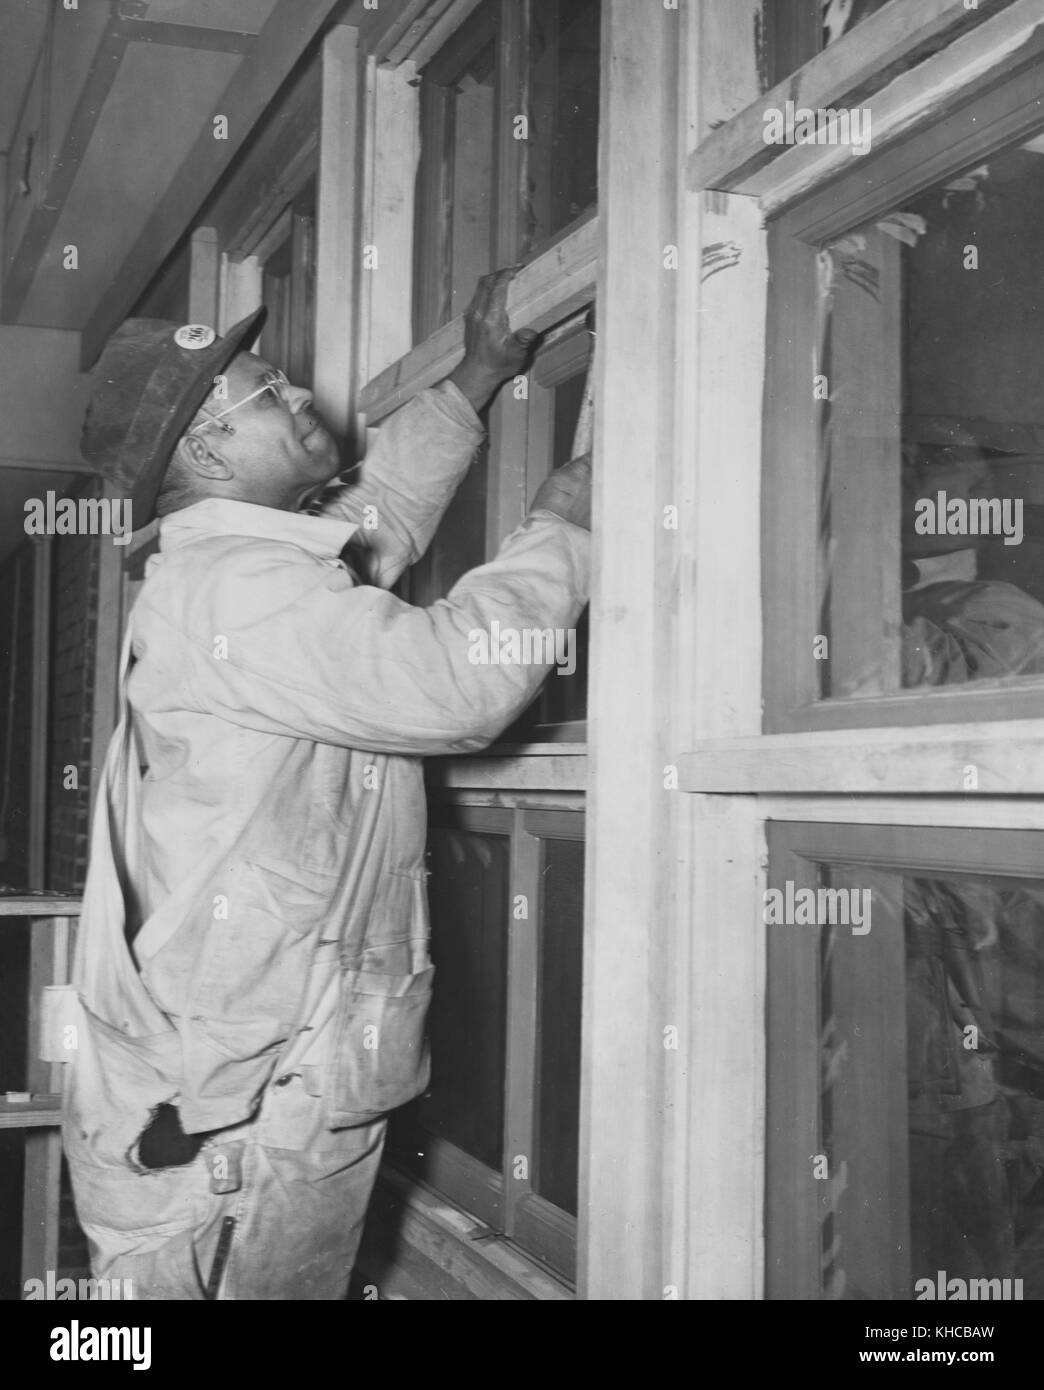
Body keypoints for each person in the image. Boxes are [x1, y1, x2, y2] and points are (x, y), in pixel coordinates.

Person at [63, 268, 592, 1299]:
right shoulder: (236, 588)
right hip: (241, 1133)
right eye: (272, 390)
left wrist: (471, 381)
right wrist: (562, 529)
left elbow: (372, 527)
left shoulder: (228, 570)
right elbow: (458, 683)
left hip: (239, 1093)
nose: (304, 395)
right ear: (209, 446)